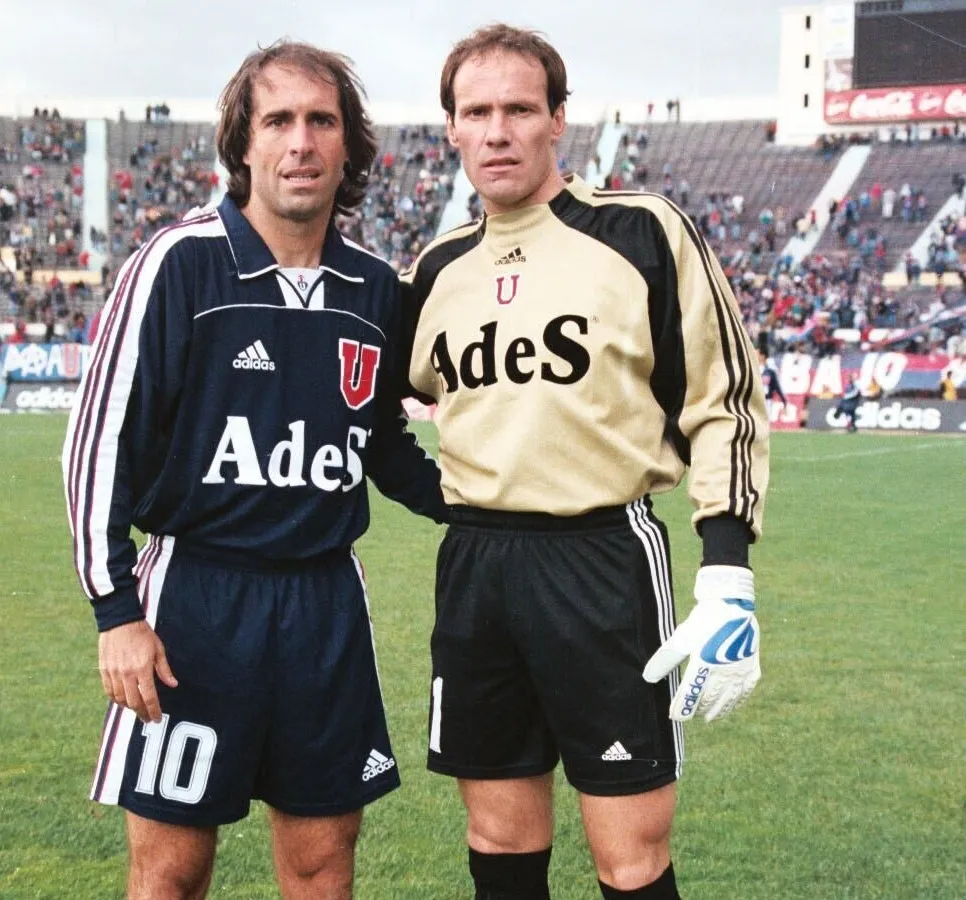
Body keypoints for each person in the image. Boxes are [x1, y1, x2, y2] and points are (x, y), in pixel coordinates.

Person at [62, 40, 445, 900]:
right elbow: (95, 449)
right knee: (169, 873)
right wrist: (116, 611)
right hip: (196, 602)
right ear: (243, 144)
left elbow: (381, 442)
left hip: (325, 606)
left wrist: (481, 501)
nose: (300, 142)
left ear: (349, 145)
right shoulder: (180, 264)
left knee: (322, 867)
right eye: (279, 121)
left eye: (321, 121)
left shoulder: (375, 288)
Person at [401, 24, 769, 900]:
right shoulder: (435, 267)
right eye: (476, 112)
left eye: (520, 109)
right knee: (496, 839)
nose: (497, 131)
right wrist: (441, 494)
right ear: (449, 128)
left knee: (630, 860)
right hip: (477, 569)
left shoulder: (641, 233)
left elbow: (723, 401)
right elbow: (378, 403)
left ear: (559, 119)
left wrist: (728, 575)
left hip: (601, 561)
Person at [759, 351, 786, 420]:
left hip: (766, 399)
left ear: (763, 356)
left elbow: (776, 386)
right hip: (755, 399)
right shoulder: (752, 368)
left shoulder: (770, 371)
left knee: (765, 419)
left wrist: (783, 399)